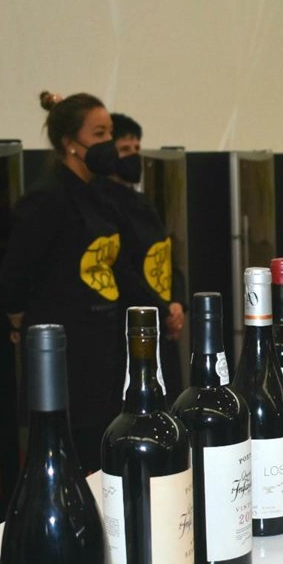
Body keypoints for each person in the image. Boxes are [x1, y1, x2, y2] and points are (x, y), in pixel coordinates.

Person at [0, 91, 132, 474]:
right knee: (72, 461)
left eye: (110, 132)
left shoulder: (102, 195)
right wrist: (20, 321)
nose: (109, 142)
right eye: (99, 134)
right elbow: (13, 278)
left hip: (104, 350)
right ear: (71, 144)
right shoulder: (46, 199)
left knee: (103, 457)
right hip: (68, 357)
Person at [104, 111, 187, 400]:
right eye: (125, 149)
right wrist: (163, 311)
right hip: (132, 323)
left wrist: (177, 303)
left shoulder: (143, 202)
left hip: (164, 318)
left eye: (137, 148)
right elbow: (121, 269)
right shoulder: (105, 204)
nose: (134, 155)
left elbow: (167, 255)